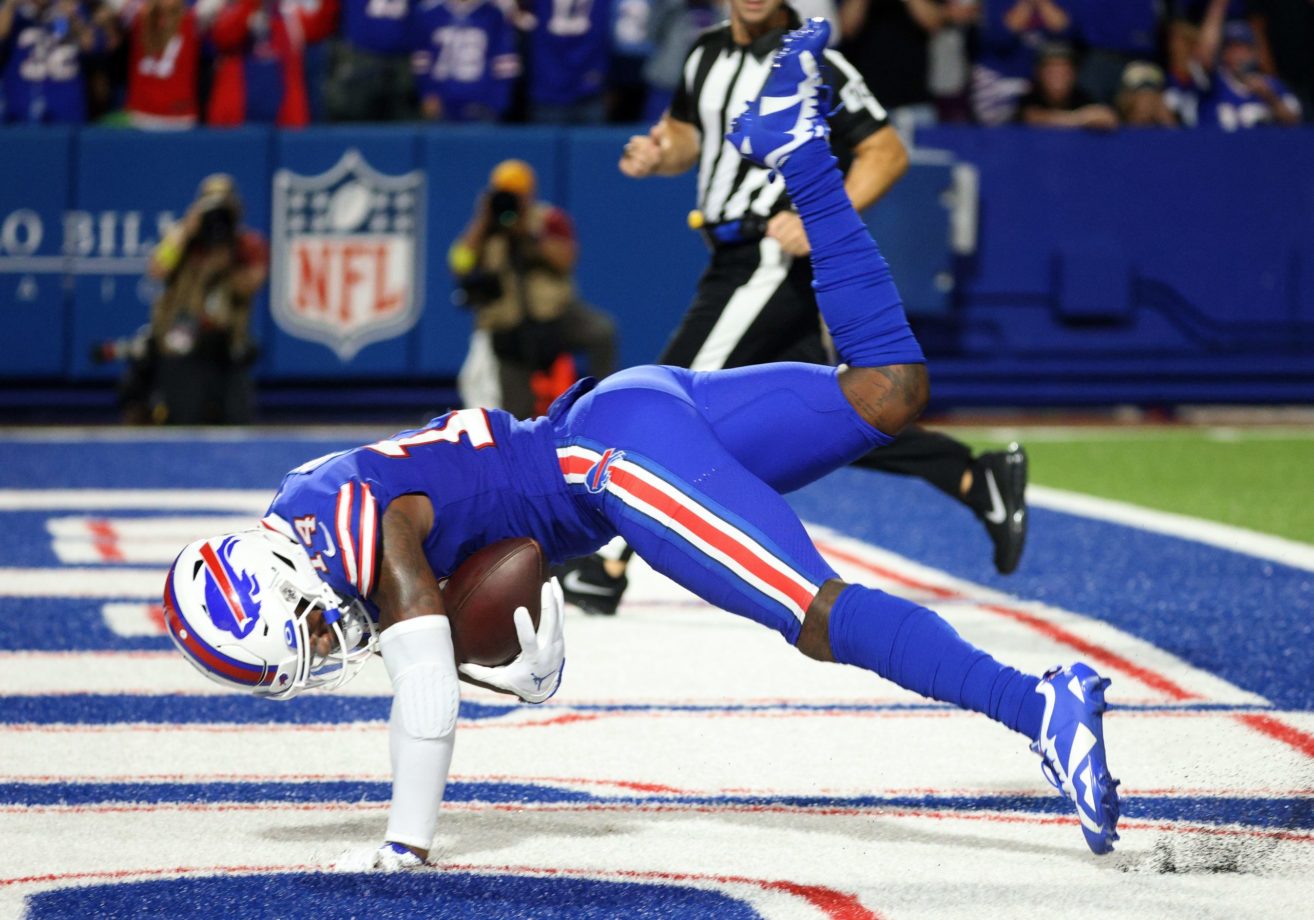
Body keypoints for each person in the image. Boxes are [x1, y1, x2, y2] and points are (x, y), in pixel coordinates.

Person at [162, 21, 1119, 870]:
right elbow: (476, 591)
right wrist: (502, 650)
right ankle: (801, 155)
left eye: (311, 630)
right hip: (618, 414)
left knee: (813, 615)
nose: (329, 644)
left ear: (281, 580)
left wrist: (403, 846)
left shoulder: (350, 529)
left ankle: (1042, 707)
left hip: (604, 468)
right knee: (889, 392)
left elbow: (426, 696)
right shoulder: (308, 507)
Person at [565, 0, 1028, 618]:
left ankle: (606, 563)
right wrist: (658, 154)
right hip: (730, 255)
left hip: (769, 261)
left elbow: (886, 151)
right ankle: (975, 479)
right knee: (831, 409)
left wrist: (816, 218)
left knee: (657, 401)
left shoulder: (812, 62)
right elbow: (686, 135)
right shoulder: (704, 52)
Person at [449, 159, 618, 419]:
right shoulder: (485, 229)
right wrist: (482, 222)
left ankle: (606, 405)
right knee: (517, 412)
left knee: (601, 331)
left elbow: (565, 259)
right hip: (508, 329)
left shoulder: (548, 219)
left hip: (555, 318)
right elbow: (459, 264)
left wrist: (528, 234)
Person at [133, 174, 269, 424]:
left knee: (238, 424)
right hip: (182, 347)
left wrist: (226, 258)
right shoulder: (183, 239)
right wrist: (186, 230)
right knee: (182, 419)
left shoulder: (246, 244)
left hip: (226, 348)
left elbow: (249, 285)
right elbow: (157, 270)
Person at [1193, 2, 1301, 130]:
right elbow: (1204, 57)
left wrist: (1270, 98)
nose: (1237, 55)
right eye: (1231, 48)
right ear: (1222, 53)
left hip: (1259, 149)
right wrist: (1218, 7)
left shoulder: (1272, 86)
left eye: (1243, 48)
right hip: (1217, 147)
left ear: (1254, 53)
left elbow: (1295, 122)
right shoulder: (1214, 82)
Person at [411, 0, 521, 123]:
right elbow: (422, 60)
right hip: (442, 100)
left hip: (481, 102)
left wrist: (497, 103)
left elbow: (505, 63)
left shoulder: (493, 14)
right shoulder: (429, 13)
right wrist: (427, 93)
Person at [1017, 41, 1119, 129]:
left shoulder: (1081, 96)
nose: (1057, 77)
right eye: (1051, 71)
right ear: (1039, 74)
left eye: (1064, 71)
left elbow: (1107, 118)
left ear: (1074, 74)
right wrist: (1082, 118)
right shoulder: (1029, 97)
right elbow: (1034, 118)